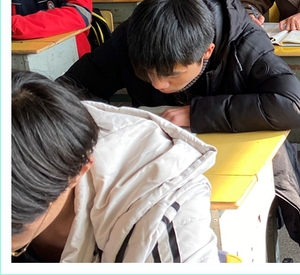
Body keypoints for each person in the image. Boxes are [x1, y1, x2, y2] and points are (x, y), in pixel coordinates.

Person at [57, 0, 300, 260]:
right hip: (160, 165)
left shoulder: (244, 41)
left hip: (238, 165)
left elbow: (293, 106)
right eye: (147, 73)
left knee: (239, 239)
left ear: (207, 52)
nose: (157, 84)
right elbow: (71, 87)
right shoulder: (135, 36)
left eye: (172, 74)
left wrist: (198, 112)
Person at [11, 70, 219, 263]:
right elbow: (82, 76)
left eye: (14, 226)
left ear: (78, 171)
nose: (158, 84)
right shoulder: (40, 123)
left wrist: (200, 112)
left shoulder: (165, 221)